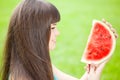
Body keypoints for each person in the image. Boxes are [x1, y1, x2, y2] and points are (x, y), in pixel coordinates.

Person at [1, 0, 118, 80]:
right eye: (52, 28)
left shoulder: (38, 62)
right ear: (34, 34)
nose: (57, 33)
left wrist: (96, 68)